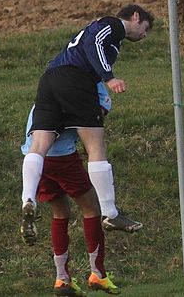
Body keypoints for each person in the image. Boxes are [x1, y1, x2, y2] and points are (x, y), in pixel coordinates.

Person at [20, 4, 153, 244]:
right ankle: (111, 213)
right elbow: (95, 44)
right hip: (75, 80)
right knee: (96, 149)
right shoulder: (113, 25)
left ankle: (28, 199)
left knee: (39, 145)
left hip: (50, 79)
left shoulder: (104, 37)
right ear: (135, 17)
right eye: (145, 28)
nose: (144, 35)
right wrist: (109, 77)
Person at [22, 83, 121, 296]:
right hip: (62, 156)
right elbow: (93, 118)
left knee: (60, 213)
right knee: (92, 208)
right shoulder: (88, 85)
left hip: (34, 156)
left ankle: (62, 279)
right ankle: (98, 274)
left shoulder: (50, 85)